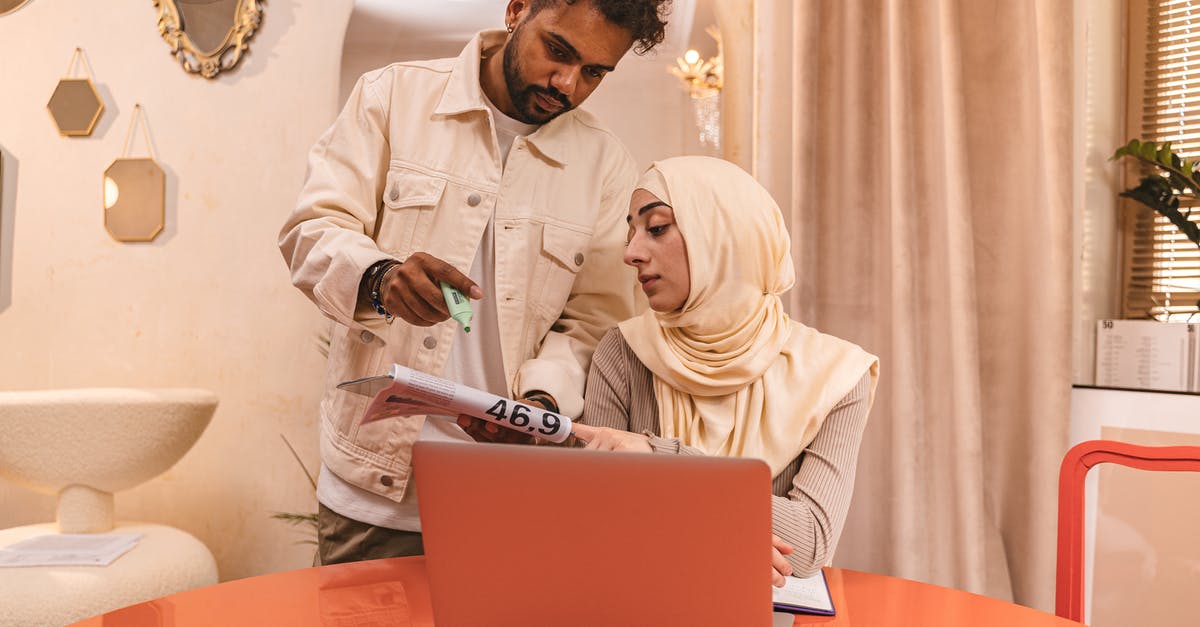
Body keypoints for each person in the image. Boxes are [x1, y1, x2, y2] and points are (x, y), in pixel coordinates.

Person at [278, 0, 672, 566]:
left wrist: (540, 404)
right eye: (558, 51)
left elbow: (592, 322)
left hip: (508, 493)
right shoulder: (392, 97)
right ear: (516, 11)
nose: (567, 84)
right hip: (373, 493)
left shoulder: (606, 164)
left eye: (594, 72)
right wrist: (380, 278)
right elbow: (311, 231)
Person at [570, 156, 880, 586]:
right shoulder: (623, 351)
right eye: (630, 233)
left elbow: (808, 543)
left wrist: (655, 460)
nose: (631, 253)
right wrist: (725, 526)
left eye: (656, 227)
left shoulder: (837, 374)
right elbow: (598, 519)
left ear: (723, 235)